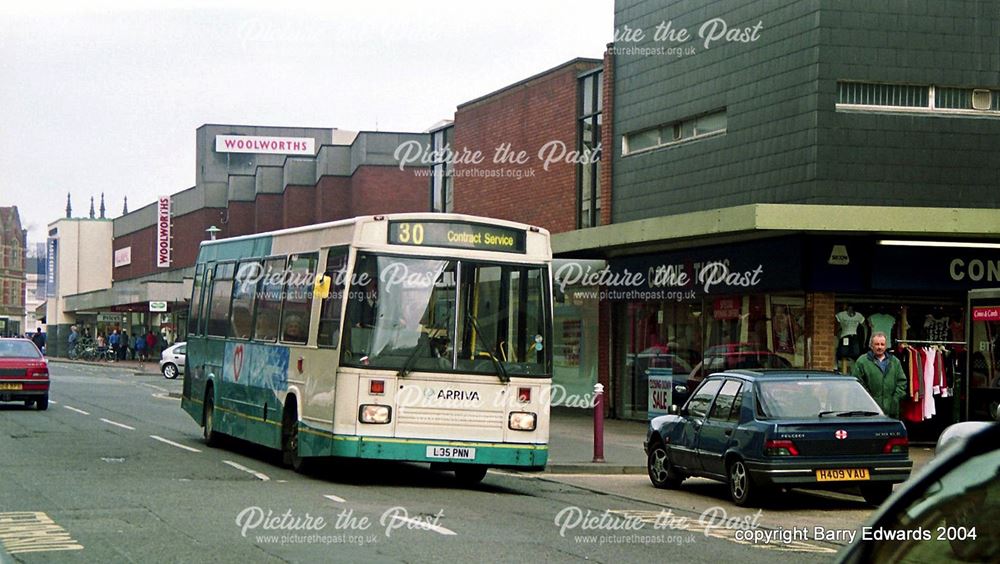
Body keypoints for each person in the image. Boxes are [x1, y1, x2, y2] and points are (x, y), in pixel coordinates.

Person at [852, 332, 907, 419]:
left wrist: (895, 399)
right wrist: (869, 399)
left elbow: (902, 382)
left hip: (891, 410)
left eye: (882, 344)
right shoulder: (862, 361)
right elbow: (857, 383)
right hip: (869, 411)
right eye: (877, 344)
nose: (880, 347)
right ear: (871, 345)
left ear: (886, 346)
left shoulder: (894, 362)